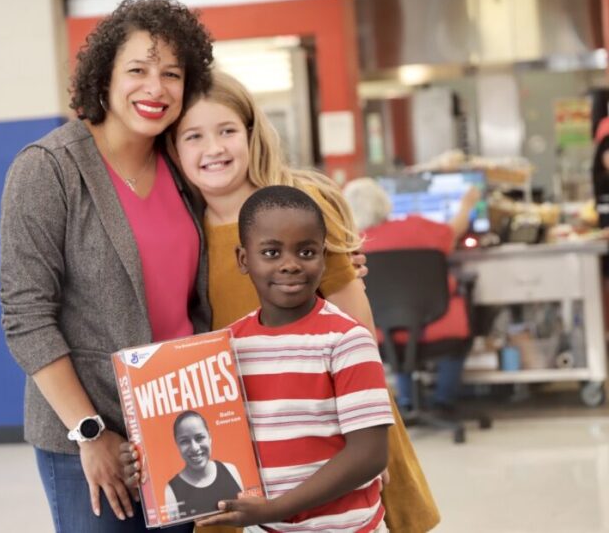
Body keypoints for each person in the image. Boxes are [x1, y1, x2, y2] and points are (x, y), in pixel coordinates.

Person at [164, 71, 439, 531]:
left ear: (252, 134)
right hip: (249, 427)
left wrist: (364, 446)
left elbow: (356, 323)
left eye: (227, 131)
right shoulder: (184, 231)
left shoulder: (298, 206)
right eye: (194, 136)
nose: (213, 148)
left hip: (337, 417)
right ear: (174, 150)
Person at [0, 0, 213, 533]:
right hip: (86, 438)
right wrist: (89, 432)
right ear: (104, 77)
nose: (155, 88)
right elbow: (25, 315)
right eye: (137, 70)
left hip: (175, 424)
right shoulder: (48, 169)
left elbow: (247, 219)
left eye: (171, 73)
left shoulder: (183, 166)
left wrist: (333, 257)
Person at [197, 186, 393, 531]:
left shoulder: (346, 340)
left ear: (323, 255)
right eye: (271, 253)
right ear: (244, 259)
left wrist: (276, 509)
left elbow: (370, 454)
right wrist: (145, 460)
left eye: (306, 251)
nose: (290, 265)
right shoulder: (227, 348)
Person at [342, 177, 481, 414]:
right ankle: (443, 400)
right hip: (439, 326)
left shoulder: (350, 246)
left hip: (379, 335)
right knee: (460, 330)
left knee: (396, 328)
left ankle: (407, 400)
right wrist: (468, 204)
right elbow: (454, 230)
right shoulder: (418, 228)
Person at [164, 411, 243, 521]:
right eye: (185, 441)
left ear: (210, 437)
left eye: (199, 438)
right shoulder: (171, 492)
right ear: (177, 445)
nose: (195, 447)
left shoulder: (230, 470)